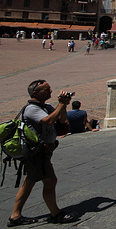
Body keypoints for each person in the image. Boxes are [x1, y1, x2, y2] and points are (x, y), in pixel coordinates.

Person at [8, 80, 78, 226]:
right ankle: (55, 214)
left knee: (29, 182)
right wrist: (60, 104)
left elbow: (61, 119)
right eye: (46, 89)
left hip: (42, 152)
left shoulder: (45, 106)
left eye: (50, 89)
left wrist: (64, 105)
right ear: (35, 93)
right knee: (50, 181)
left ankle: (15, 216)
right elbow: (49, 120)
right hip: (37, 153)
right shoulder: (31, 109)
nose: (50, 91)